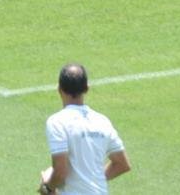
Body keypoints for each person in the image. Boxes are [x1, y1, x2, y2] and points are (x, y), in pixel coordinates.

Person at [39, 63, 130, 195]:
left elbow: (60, 172)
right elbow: (122, 164)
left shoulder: (57, 122)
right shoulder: (102, 121)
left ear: (59, 89)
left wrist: (47, 188)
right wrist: (90, 181)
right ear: (87, 88)